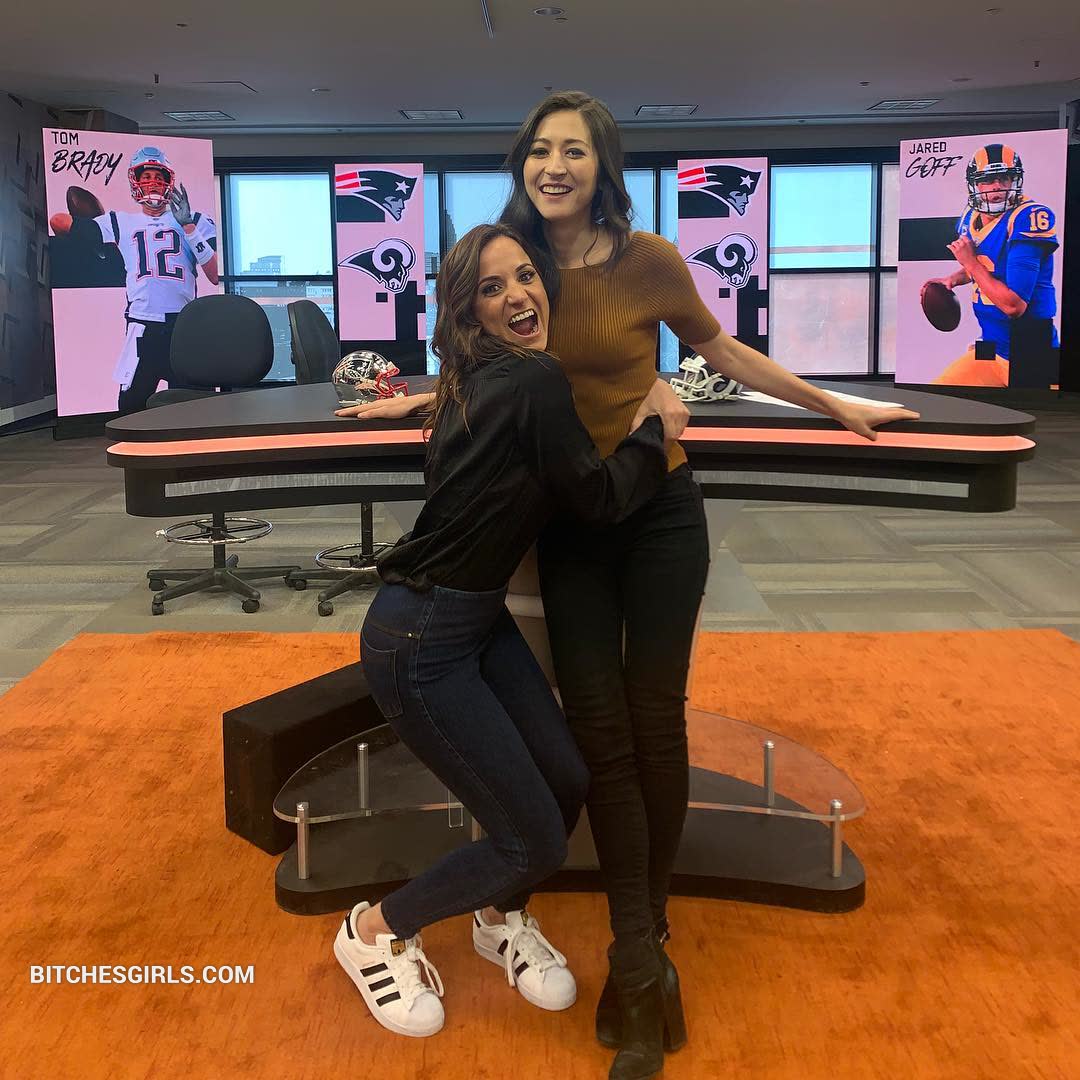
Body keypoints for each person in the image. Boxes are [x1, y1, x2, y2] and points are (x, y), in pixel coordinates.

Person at [345, 91, 919, 1080]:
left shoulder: (647, 259)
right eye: (539, 149)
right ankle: (625, 943)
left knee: (655, 724)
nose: (553, 165)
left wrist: (831, 402)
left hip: (655, 514)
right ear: (521, 164)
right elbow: (500, 362)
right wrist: (427, 397)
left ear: (603, 165)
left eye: (574, 150)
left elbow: (719, 350)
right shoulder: (515, 260)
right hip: (579, 522)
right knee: (597, 739)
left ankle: (643, 947)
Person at [332, 222, 676, 1044]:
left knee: (565, 779)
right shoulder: (528, 378)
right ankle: (373, 931)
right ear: (469, 312)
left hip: (468, 620)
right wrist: (656, 428)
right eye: (493, 288)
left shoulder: (476, 380)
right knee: (533, 842)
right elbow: (598, 499)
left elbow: (527, 437)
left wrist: (420, 397)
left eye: (526, 275)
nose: (520, 295)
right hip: (421, 643)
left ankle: (497, 919)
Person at [48, 146, 219, 414]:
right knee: (130, 410)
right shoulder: (120, 222)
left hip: (184, 326)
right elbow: (58, 221)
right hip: (142, 326)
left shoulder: (195, 220)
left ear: (169, 181)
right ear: (135, 181)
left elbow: (214, 274)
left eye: (159, 176)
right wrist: (93, 237)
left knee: (195, 409)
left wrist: (188, 227)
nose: (153, 182)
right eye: (146, 176)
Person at [923, 143, 1060, 389]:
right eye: (987, 180)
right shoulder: (971, 216)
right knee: (938, 398)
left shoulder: (1028, 217)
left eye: (1004, 178)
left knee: (1032, 413)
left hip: (1030, 352)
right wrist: (953, 278)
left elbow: (1014, 306)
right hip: (992, 346)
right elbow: (988, 265)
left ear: (1014, 181)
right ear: (975, 185)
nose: (996, 186)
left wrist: (969, 262)